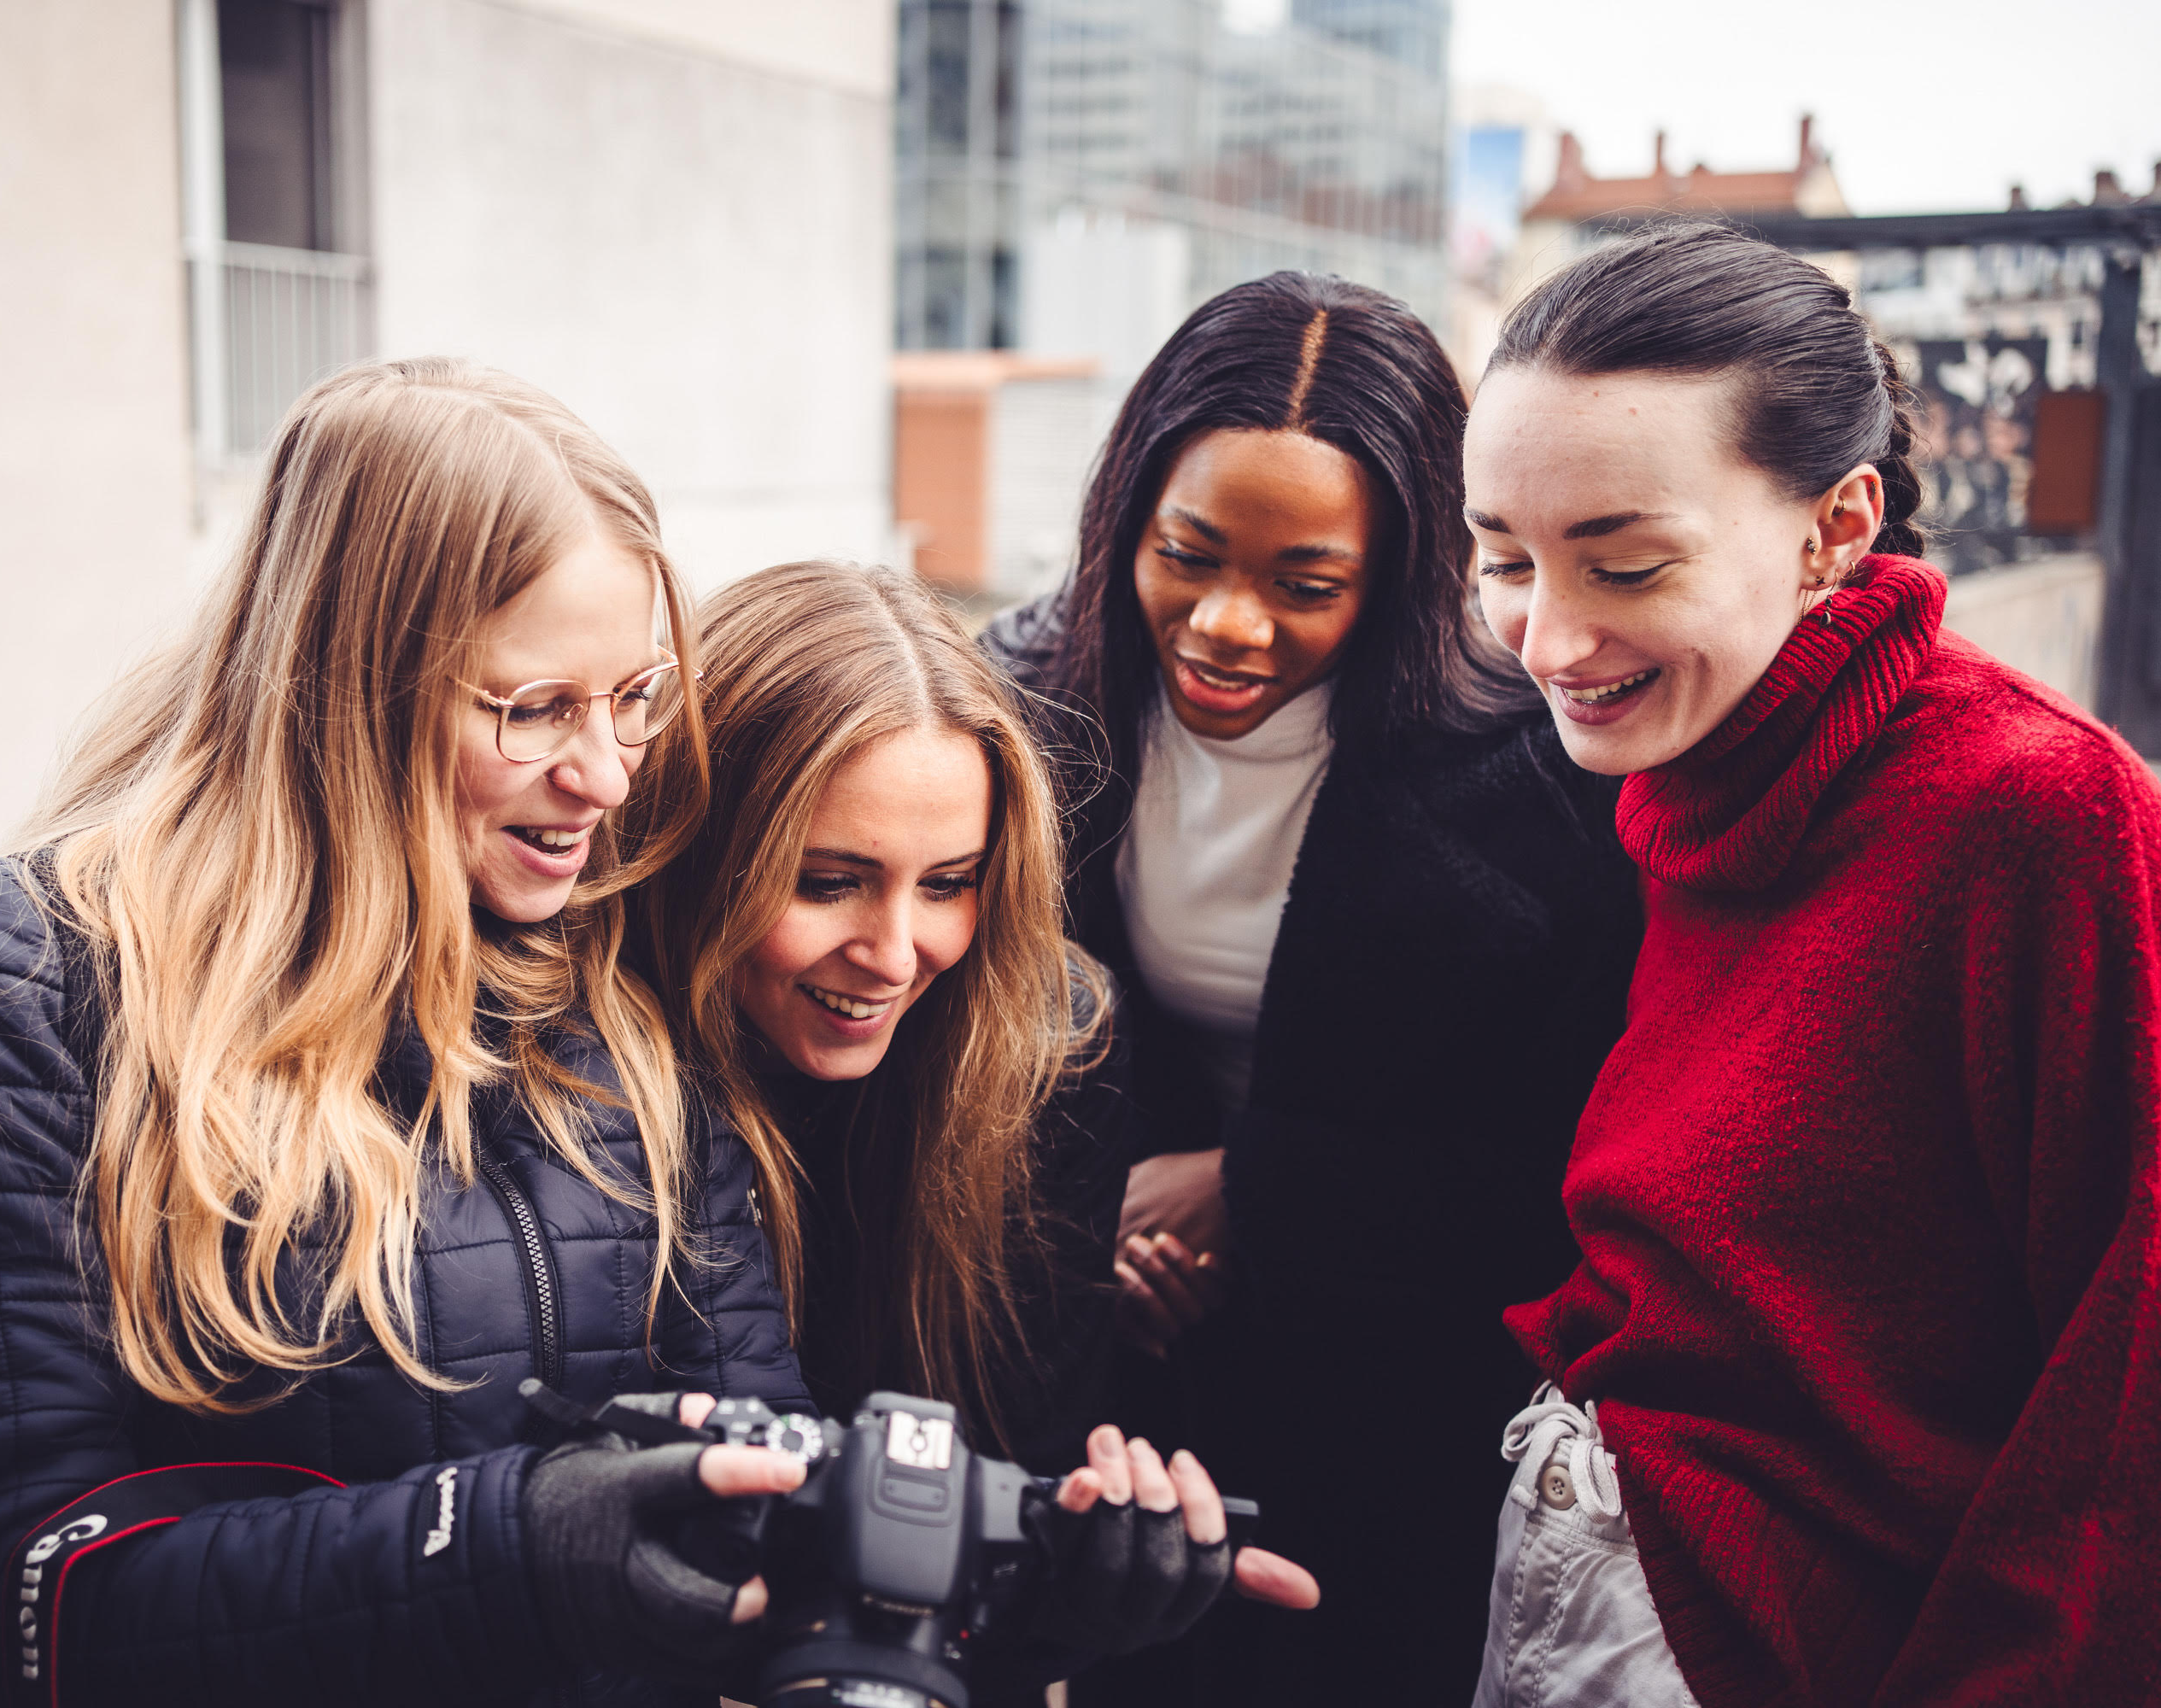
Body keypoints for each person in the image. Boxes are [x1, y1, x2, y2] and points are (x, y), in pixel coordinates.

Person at [0, 359, 817, 1707]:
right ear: (356, 684)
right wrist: (501, 1550)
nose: (607, 774)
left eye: (632, 697)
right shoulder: (13, 991)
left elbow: (761, 1488)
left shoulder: (613, 1003)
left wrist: (1025, 1577)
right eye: (535, 711)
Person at [1462, 221, 2161, 1705]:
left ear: (1838, 529)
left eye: (1628, 564)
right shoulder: (1697, 761)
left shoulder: (2043, 812)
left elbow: (2129, 1390)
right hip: (1600, 1581)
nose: (1548, 639)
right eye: (1504, 558)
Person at [981, 273, 1647, 1705]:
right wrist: (1080, 1239)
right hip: (1109, 1393)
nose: (1227, 624)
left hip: (1393, 1416)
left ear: (1402, 571)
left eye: (1305, 585)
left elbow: (1572, 1165)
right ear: (1125, 523)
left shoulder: (1543, 777)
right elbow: (951, 1051)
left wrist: (1258, 1186)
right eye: (1189, 555)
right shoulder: (1018, 705)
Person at [628, 560, 1322, 1699]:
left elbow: (1027, 1467)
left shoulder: (1052, 1053)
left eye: (949, 882)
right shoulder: (580, 1066)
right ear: (698, 845)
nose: (897, 954)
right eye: (828, 882)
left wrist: (1093, 1575)